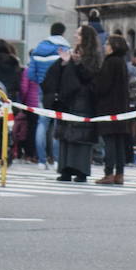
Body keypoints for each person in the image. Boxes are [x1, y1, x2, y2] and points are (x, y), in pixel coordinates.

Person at [43, 24, 100, 183]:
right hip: (68, 99)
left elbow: (90, 76)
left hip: (84, 100)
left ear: (86, 38)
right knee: (66, 136)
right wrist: (65, 63)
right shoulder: (73, 53)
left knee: (81, 136)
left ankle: (81, 170)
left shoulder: (92, 55)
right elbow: (60, 73)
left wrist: (76, 63)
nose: (75, 36)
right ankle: (66, 169)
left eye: (79, 34)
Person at [91, 33, 136, 184]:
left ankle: (109, 173)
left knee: (110, 141)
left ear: (113, 47)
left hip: (109, 107)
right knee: (119, 141)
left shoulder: (110, 62)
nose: (105, 47)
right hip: (120, 108)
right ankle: (120, 173)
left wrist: (95, 81)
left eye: (107, 44)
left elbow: (103, 86)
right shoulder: (122, 62)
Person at [28, 22, 71, 168]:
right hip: (60, 92)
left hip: (43, 91)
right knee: (59, 125)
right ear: (63, 33)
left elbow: (30, 74)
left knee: (42, 124)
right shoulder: (65, 49)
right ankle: (57, 159)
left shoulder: (39, 48)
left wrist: (41, 81)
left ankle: (41, 160)